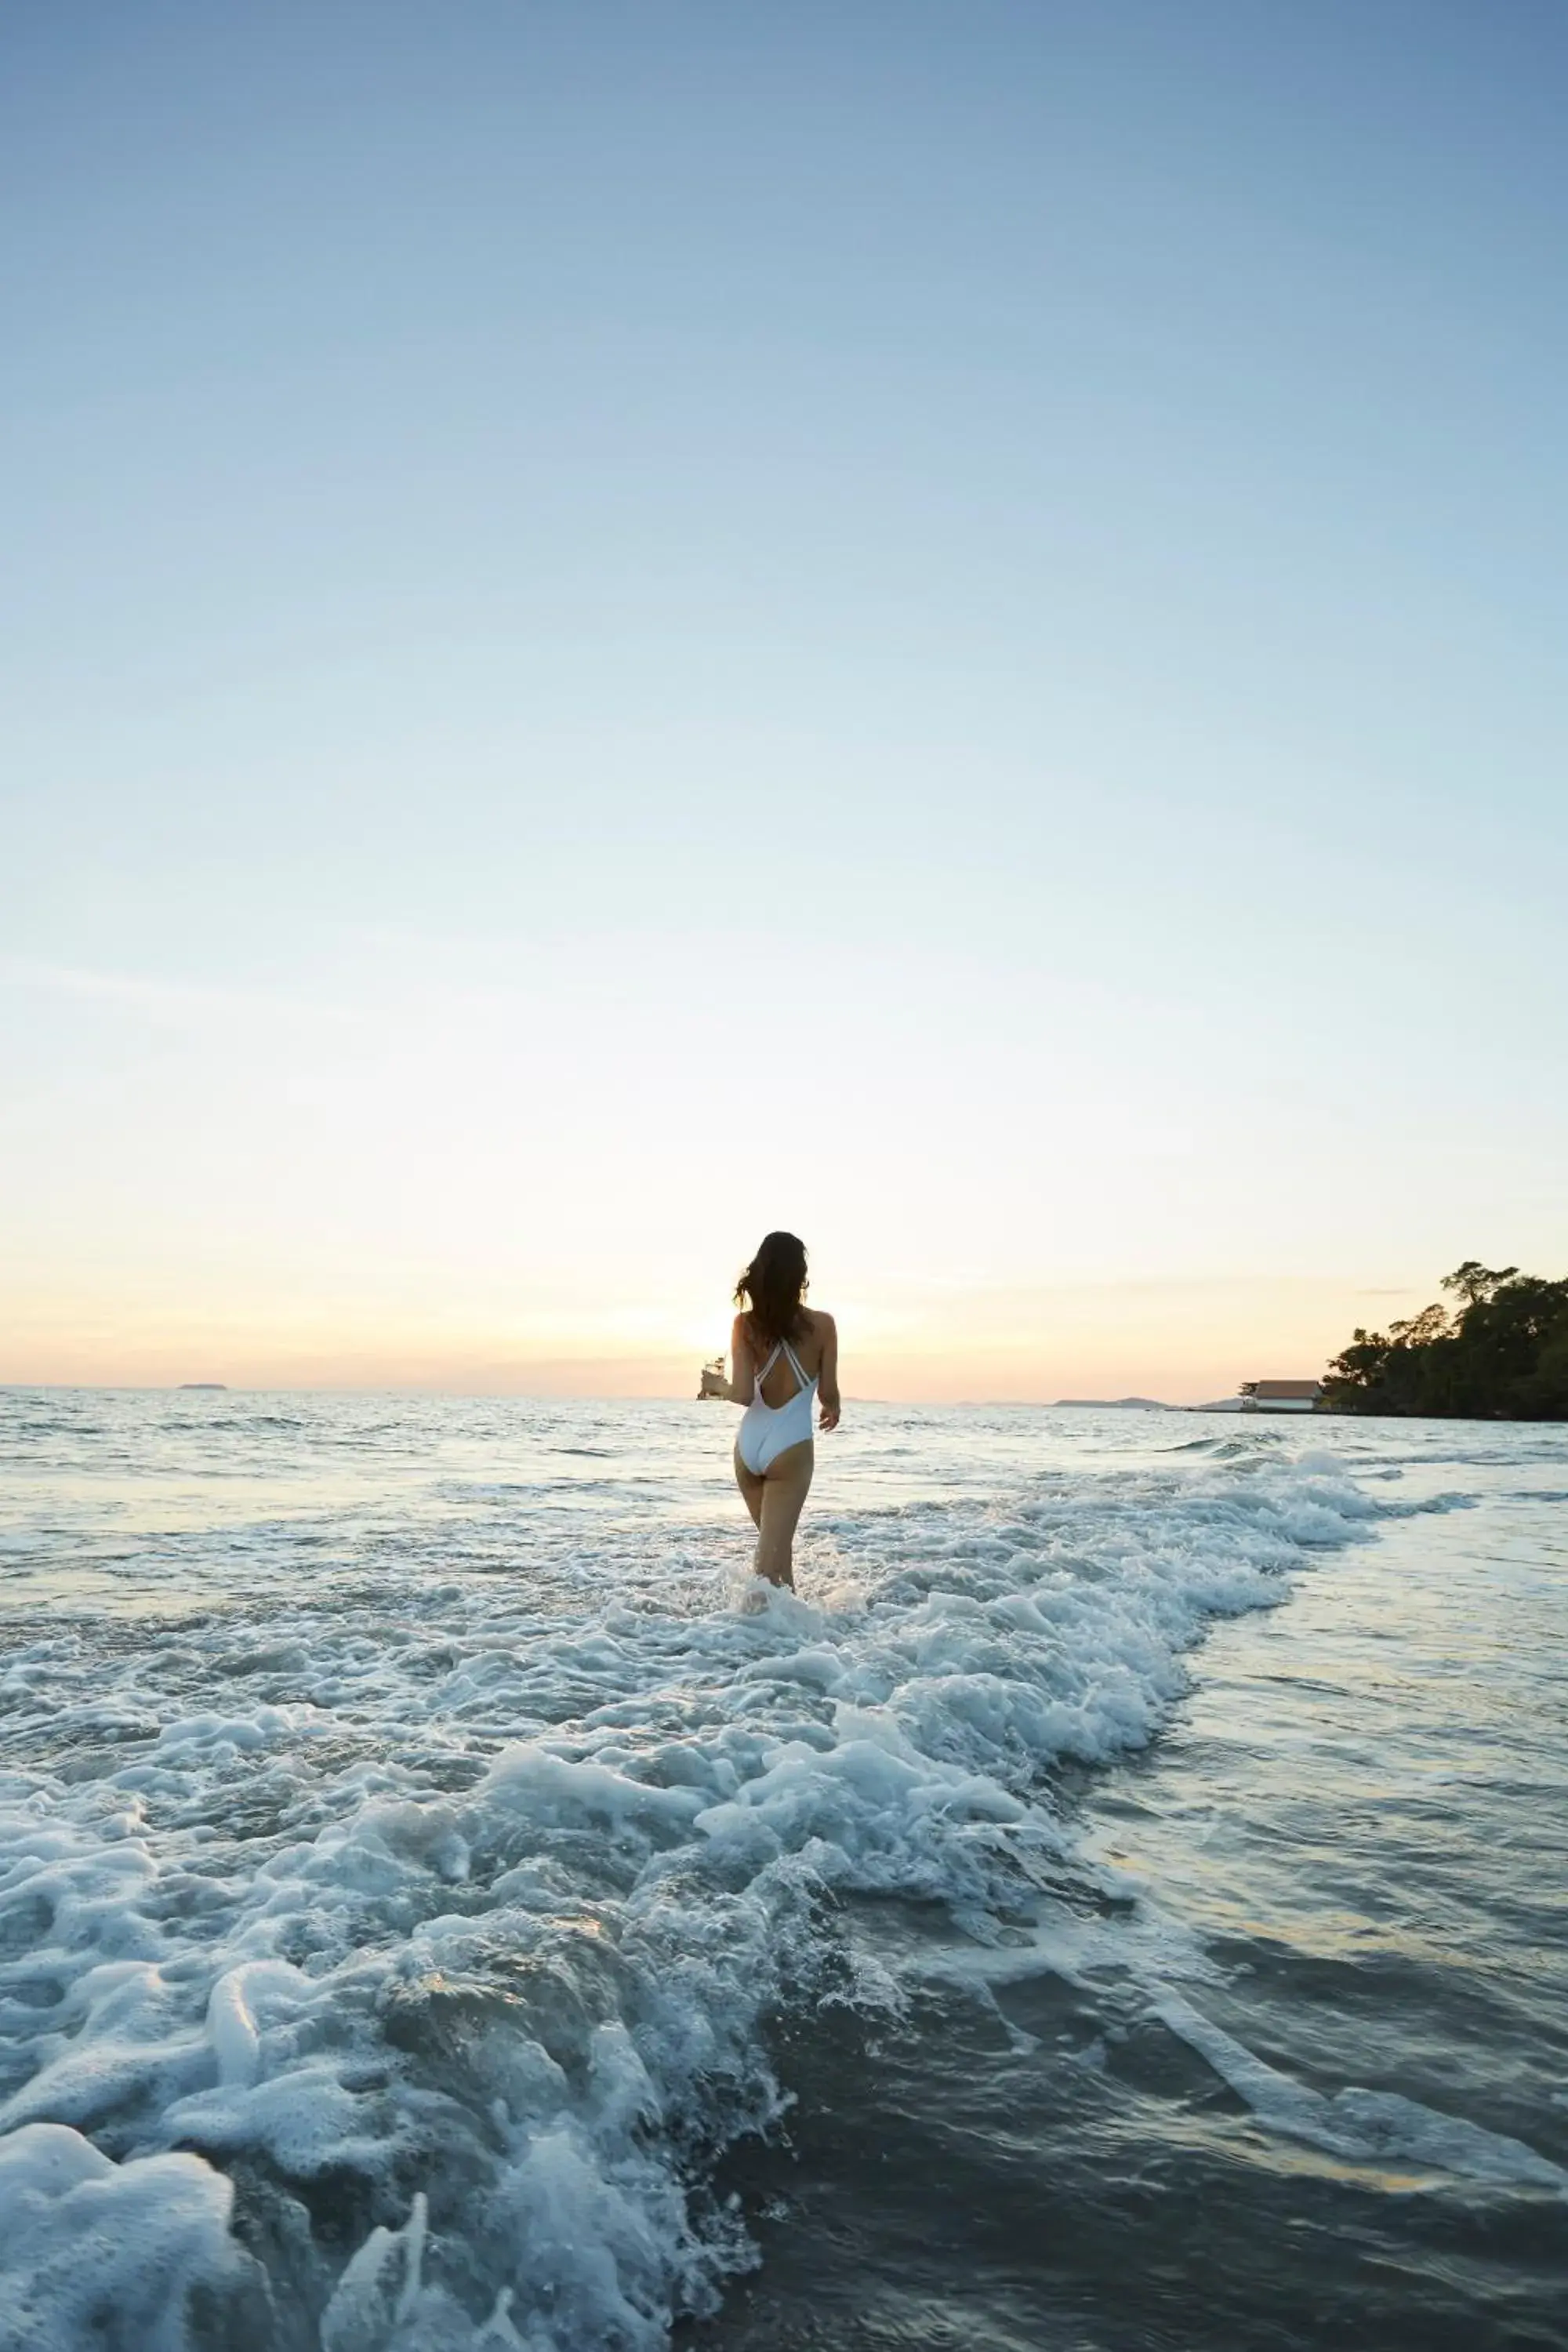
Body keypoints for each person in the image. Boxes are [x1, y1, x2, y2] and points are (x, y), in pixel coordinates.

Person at [724, 1231, 840, 1589]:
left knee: (774, 1557)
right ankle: (769, 1636)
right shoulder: (824, 1325)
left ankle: (779, 1640)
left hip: (748, 1447)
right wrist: (832, 1409)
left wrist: (714, 1387)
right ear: (800, 1274)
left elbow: (743, 1394)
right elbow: (829, 1394)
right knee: (769, 1566)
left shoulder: (745, 1324)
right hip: (790, 1448)